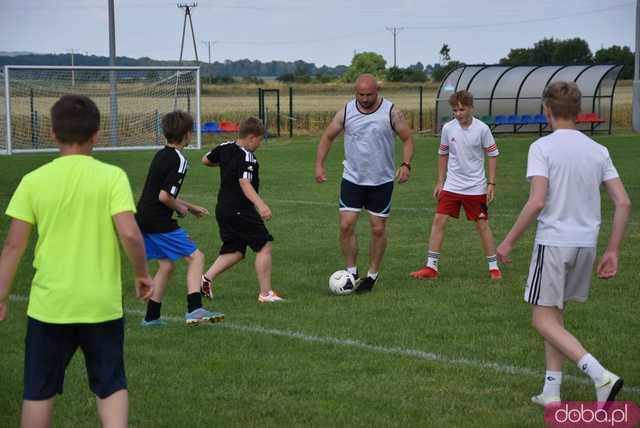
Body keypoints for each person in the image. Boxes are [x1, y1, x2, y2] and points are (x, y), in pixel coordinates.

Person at [0, 95, 154, 428]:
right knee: (111, 385)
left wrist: (0, 296)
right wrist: (141, 273)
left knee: (39, 390)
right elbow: (129, 234)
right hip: (101, 305)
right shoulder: (112, 177)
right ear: (97, 134)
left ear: (52, 133)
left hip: (49, 306)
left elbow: (14, 246)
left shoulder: (33, 181)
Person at [496, 81, 631, 407]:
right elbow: (623, 203)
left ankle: (600, 375)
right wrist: (612, 250)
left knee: (541, 320)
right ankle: (552, 391)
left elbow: (537, 201)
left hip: (554, 243)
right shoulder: (598, 150)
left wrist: (508, 242)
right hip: (586, 246)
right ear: (578, 111)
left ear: (547, 110)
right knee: (555, 318)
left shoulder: (541, 147)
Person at [315, 73, 414, 293]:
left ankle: (372, 276)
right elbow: (327, 136)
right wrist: (319, 164)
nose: (365, 99)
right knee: (346, 224)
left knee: (378, 229)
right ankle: (351, 272)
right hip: (353, 178)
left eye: (369, 94)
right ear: (355, 93)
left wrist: (406, 164)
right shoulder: (347, 111)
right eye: (361, 94)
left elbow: (407, 138)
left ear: (377, 91)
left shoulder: (391, 112)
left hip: (381, 180)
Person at [136, 110, 224, 325]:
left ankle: (152, 318)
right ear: (187, 134)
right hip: (159, 220)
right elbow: (165, 196)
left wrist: (190, 207)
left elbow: (163, 193)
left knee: (166, 265)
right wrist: (180, 209)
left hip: (143, 218)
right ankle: (195, 309)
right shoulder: (179, 160)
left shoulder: (161, 154)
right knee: (197, 257)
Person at [410, 90, 501, 280]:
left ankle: (494, 267)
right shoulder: (448, 128)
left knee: (482, 225)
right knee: (439, 221)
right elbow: (443, 154)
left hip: (476, 187)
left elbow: (492, 154)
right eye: (455, 110)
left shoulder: (482, 129)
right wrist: (440, 181)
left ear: (471, 108)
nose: (458, 113)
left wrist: (491, 183)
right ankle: (431, 267)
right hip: (452, 185)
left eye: (462, 109)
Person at [200, 117, 284, 303]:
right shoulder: (247, 156)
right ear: (252, 137)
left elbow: (205, 159)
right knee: (264, 245)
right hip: (240, 209)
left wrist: (224, 164)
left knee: (235, 250)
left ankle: (205, 280)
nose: (259, 144)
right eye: (260, 140)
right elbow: (244, 182)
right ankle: (266, 293)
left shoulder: (224, 146)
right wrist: (261, 205)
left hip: (223, 208)